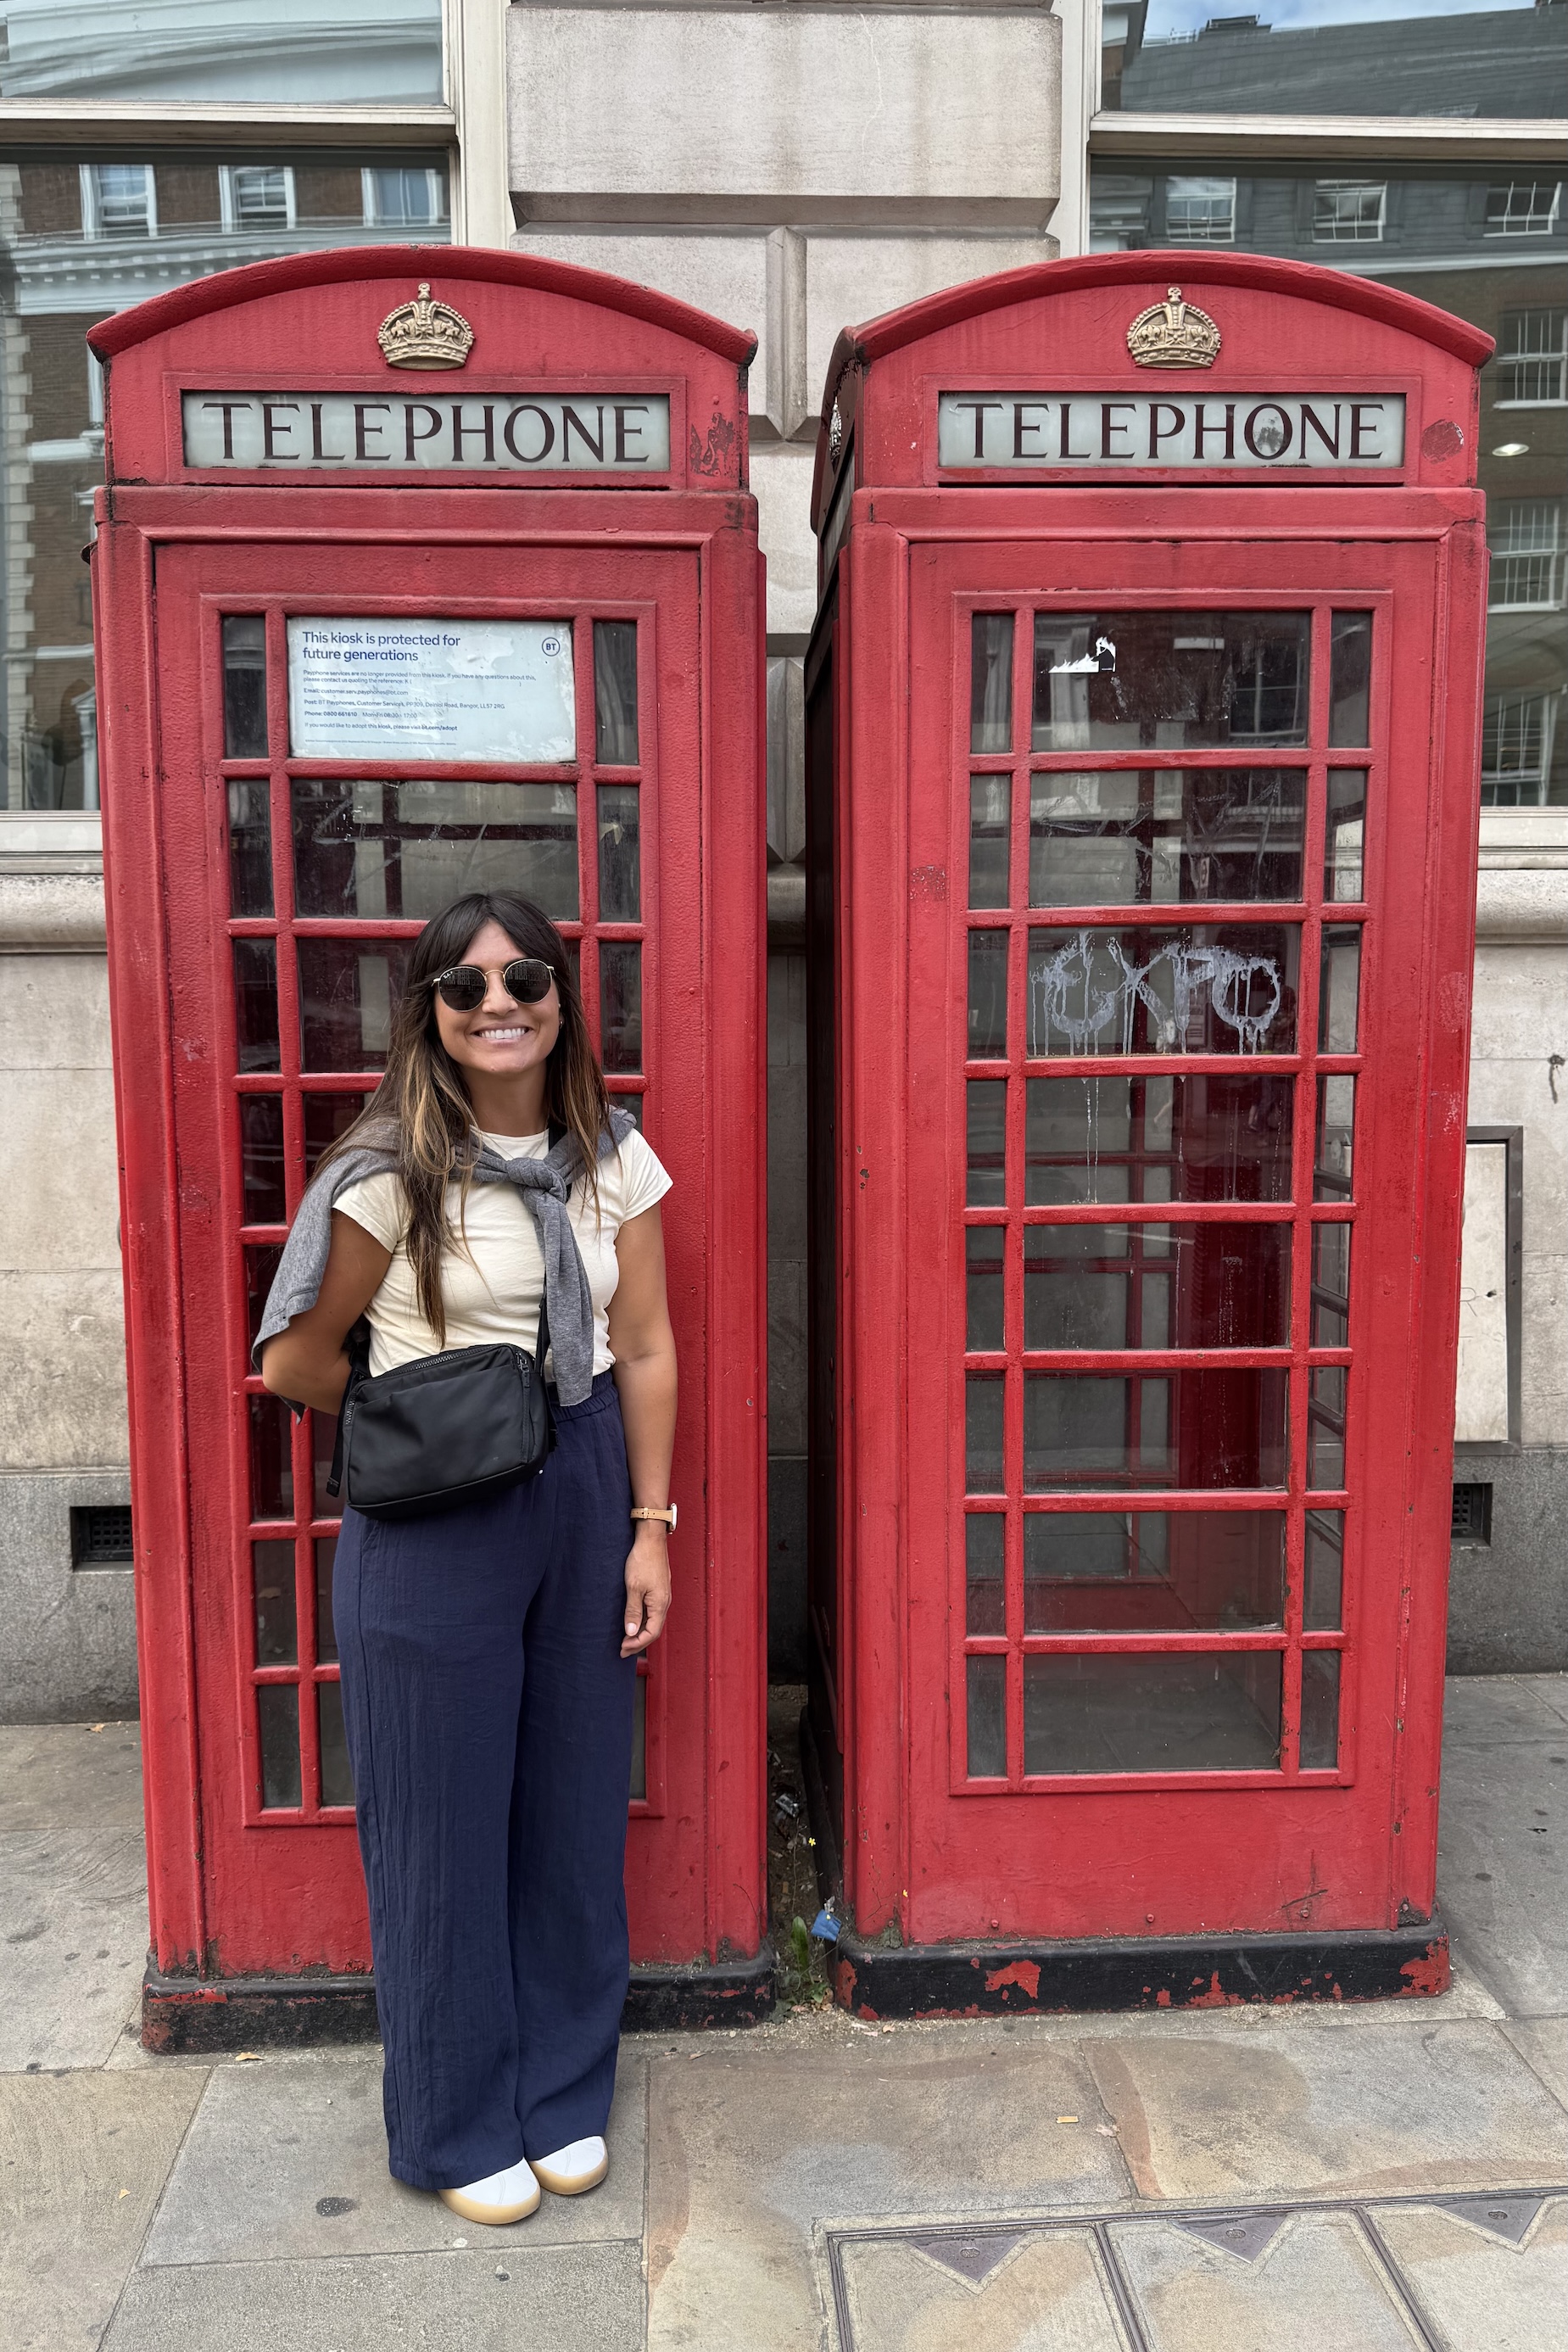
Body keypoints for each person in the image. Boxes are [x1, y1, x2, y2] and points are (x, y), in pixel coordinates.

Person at [257, 890, 676, 2226]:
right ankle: (450, 2120)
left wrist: (649, 1528)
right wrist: (435, 1422)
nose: (500, 1004)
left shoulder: (613, 1155)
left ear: (562, 1000)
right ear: (429, 1016)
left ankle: (560, 2088)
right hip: (441, 1511)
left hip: (590, 1478)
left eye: (526, 980)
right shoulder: (386, 1174)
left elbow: (651, 1344)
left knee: (569, 1803)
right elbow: (291, 1362)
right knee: (437, 1824)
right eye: (467, 986)